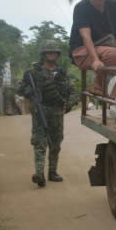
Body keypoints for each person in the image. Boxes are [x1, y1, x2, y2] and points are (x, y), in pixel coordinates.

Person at [18, 41, 75, 187]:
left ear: (57, 55)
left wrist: (68, 105)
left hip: (57, 111)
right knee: (40, 142)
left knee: (56, 143)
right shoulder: (33, 73)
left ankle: (52, 172)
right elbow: (20, 88)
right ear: (43, 54)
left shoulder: (62, 73)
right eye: (49, 52)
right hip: (40, 110)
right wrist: (28, 92)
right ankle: (39, 174)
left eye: (54, 52)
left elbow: (71, 91)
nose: (52, 55)